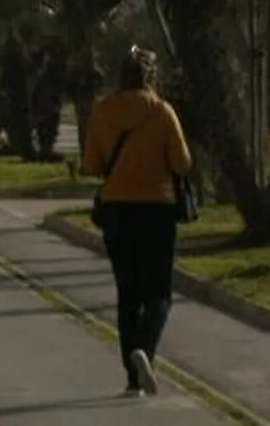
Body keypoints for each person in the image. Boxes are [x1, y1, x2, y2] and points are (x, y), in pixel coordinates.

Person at [82, 47, 191, 398]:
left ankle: (133, 380)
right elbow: (182, 163)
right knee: (159, 293)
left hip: (116, 210)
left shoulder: (102, 111)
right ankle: (144, 348)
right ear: (150, 76)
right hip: (157, 210)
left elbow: (93, 165)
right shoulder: (162, 112)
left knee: (127, 294)